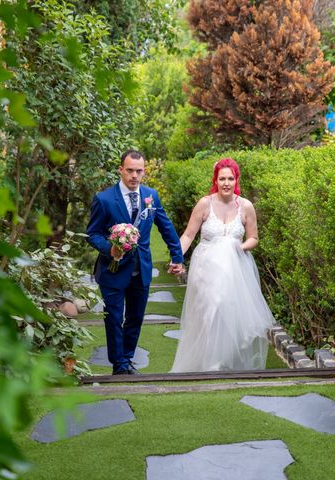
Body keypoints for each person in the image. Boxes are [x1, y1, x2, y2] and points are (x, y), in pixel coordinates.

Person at [171, 158, 275, 373]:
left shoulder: (245, 206)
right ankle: (209, 362)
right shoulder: (204, 203)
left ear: (236, 180)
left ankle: (223, 357)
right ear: (215, 180)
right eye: (222, 179)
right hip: (206, 267)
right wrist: (176, 257)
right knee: (211, 308)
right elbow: (189, 235)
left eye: (230, 178)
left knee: (227, 311)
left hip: (235, 268)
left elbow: (254, 237)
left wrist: (241, 247)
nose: (226, 183)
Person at [86, 150, 184, 375]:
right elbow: (93, 234)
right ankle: (119, 364)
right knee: (113, 316)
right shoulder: (104, 199)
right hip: (112, 270)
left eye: (139, 171)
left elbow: (166, 227)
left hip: (141, 268)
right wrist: (109, 249)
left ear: (144, 171)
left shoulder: (151, 196)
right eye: (129, 170)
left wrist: (177, 256)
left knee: (136, 317)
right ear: (121, 170)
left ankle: (127, 359)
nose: (134, 176)